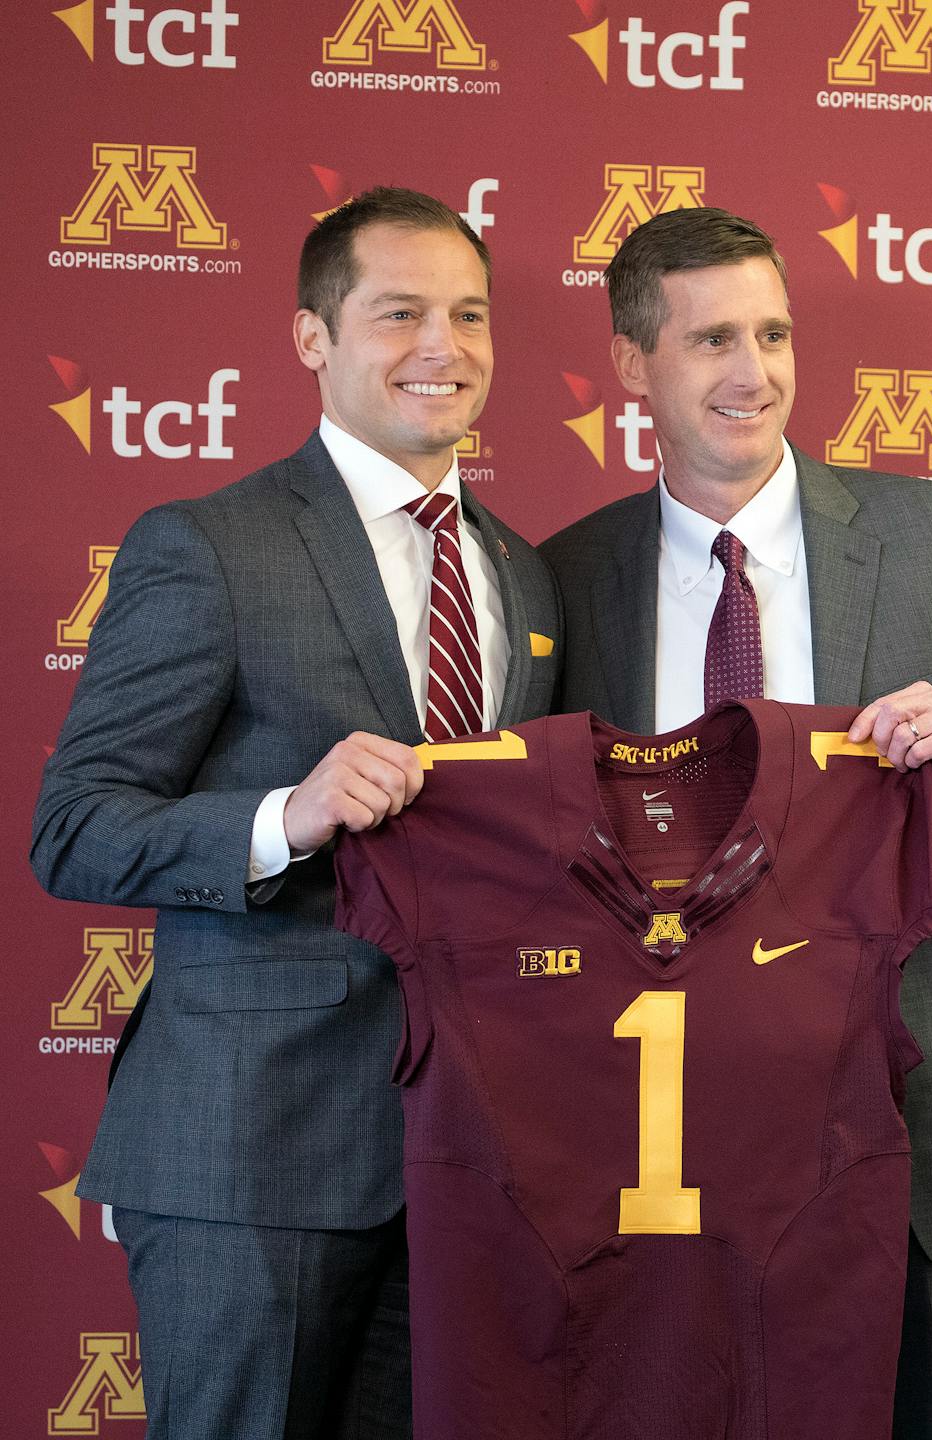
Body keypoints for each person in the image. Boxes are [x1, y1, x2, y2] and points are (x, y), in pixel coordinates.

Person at [541, 206, 932, 1439]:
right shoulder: (565, 578)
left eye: (776, 333)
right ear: (633, 364)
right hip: (666, 1136)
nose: (756, 373)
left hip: (918, 1112)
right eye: (714, 339)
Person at [30, 186, 560, 1440]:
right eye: (400, 314)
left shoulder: (523, 572)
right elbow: (75, 826)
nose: (445, 346)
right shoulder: (206, 547)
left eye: (469, 314)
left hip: (456, 1163)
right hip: (246, 1151)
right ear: (313, 339)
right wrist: (286, 815)